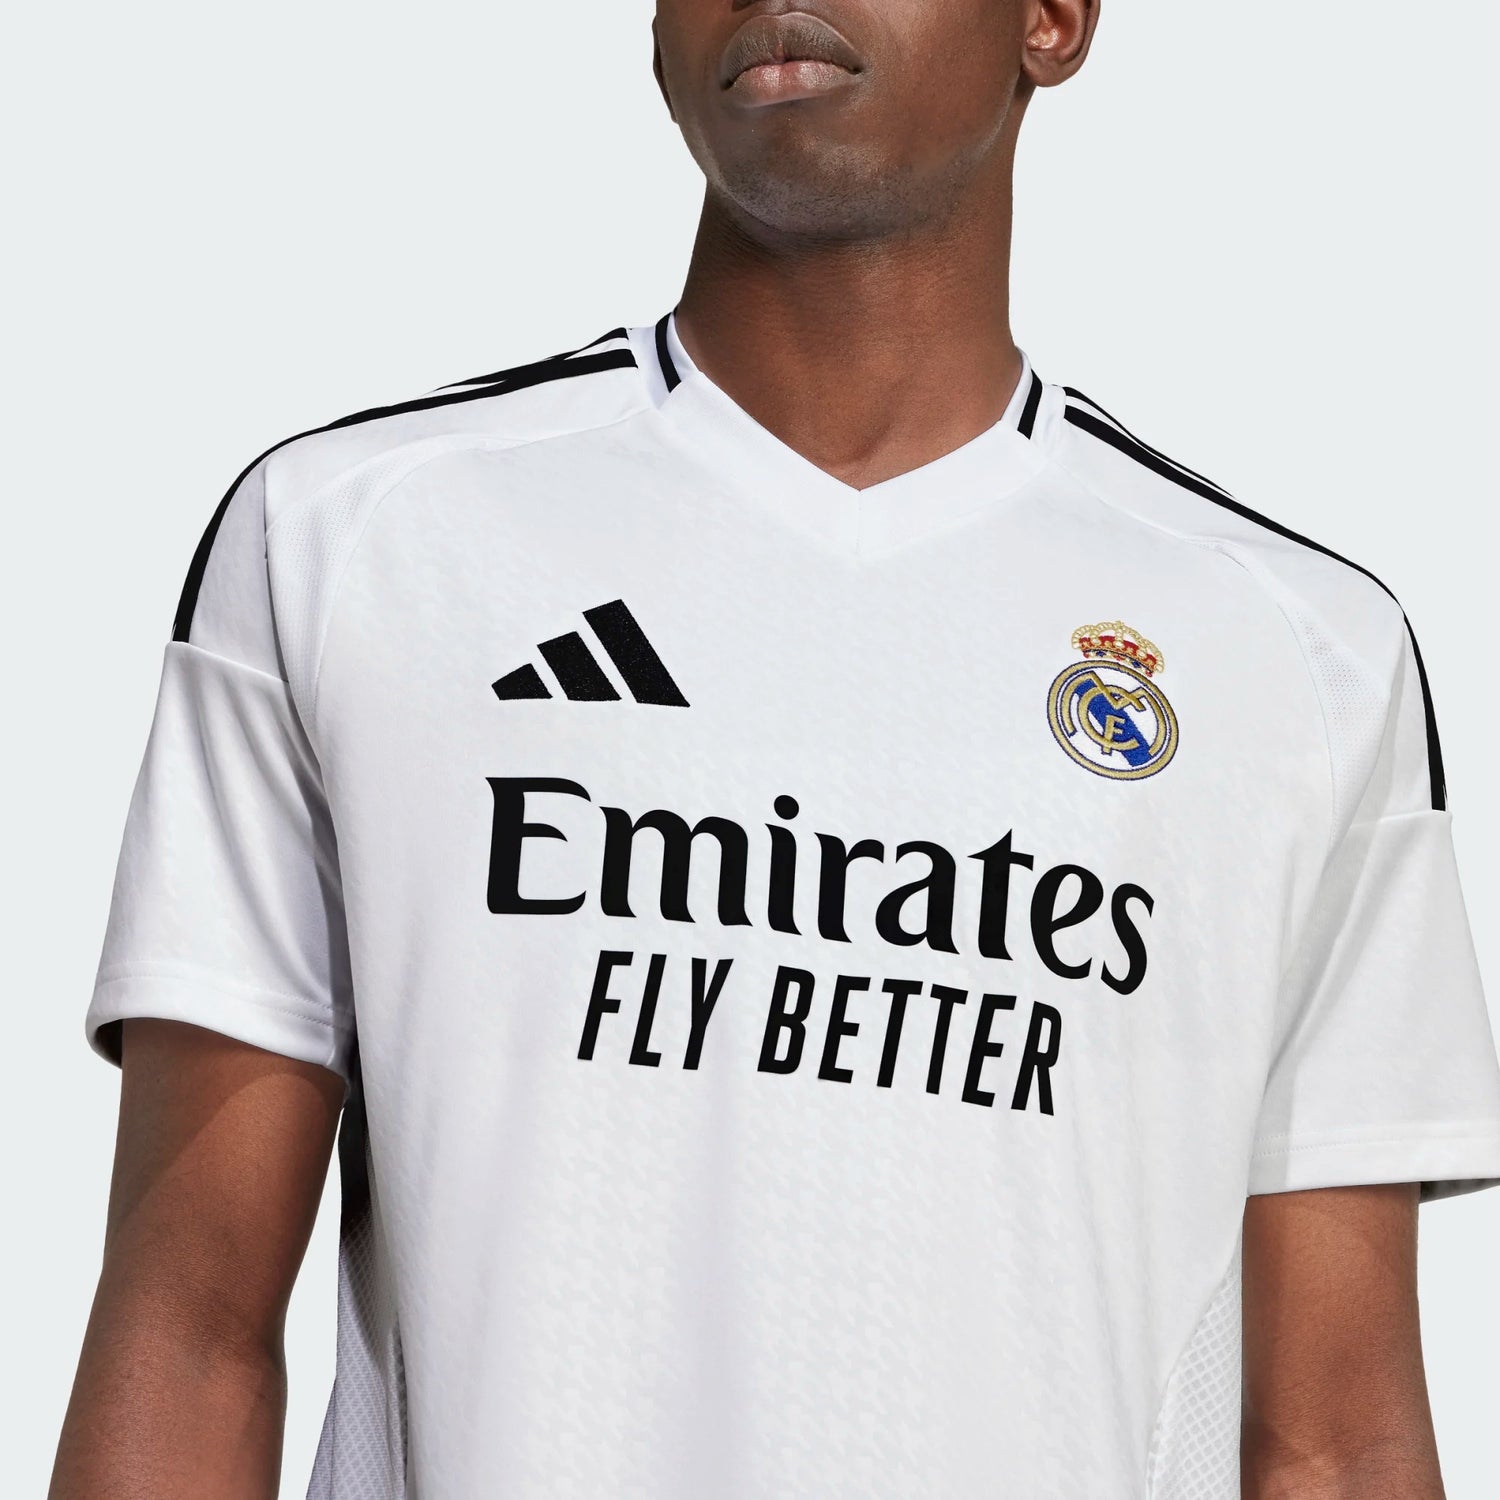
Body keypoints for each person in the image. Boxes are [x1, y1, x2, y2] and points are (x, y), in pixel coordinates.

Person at [50, 3, 1500, 1497]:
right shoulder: (352, 545)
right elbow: (192, 1327)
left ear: (1054, 20)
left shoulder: (1300, 658)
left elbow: (1335, 1438)